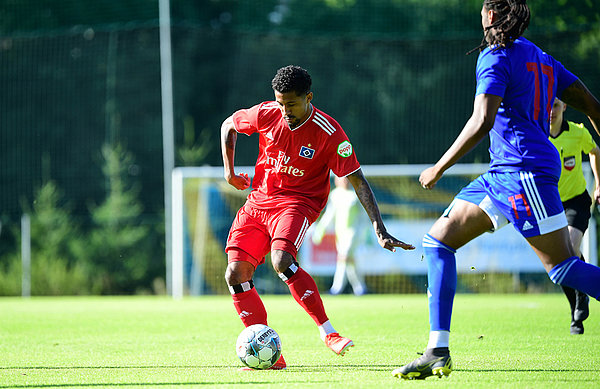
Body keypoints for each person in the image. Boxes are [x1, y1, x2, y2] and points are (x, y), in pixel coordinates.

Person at [393, 0, 600, 380]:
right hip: (503, 173)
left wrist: (439, 166)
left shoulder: (495, 56)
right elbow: (592, 105)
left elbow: (482, 119)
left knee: (561, 268)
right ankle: (437, 349)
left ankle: (438, 348)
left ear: (489, 15)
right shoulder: (542, 58)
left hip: (524, 173)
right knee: (437, 242)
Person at [221, 65, 414, 370]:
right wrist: (229, 172)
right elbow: (228, 126)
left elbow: (358, 180)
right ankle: (272, 358)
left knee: (282, 260)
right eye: (280, 103)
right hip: (258, 202)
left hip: (297, 203)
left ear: (309, 97)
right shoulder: (267, 113)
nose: (284, 111)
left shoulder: (330, 133)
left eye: (292, 104)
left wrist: (380, 228)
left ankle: (329, 332)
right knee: (235, 274)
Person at [549, 97, 600, 334]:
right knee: (561, 260)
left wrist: (599, 184)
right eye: (548, 104)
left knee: (569, 246)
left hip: (576, 202)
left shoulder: (577, 133)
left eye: (556, 104)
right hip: (549, 205)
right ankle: (576, 309)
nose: (552, 110)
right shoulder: (537, 135)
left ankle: (581, 297)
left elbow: (595, 151)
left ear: (565, 106)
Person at [312, 176, 369, 296]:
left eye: (346, 179)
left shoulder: (355, 196)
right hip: (340, 234)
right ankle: (360, 288)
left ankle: (336, 288)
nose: (344, 181)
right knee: (349, 260)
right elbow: (329, 215)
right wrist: (320, 230)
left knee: (343, 257)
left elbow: (364, 217)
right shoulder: (335, 195)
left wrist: (364, 233)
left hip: (352, 233)